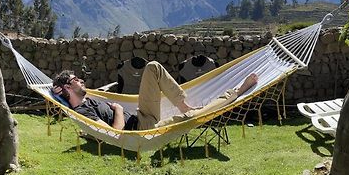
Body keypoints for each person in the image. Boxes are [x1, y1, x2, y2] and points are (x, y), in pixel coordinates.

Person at [52, 61, 258, 131]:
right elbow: (116, 133)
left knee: (153, 68)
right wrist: (119, 109)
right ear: (68, 88)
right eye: (76, 79)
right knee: (195, 116)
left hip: (143, 115)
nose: (81, 80)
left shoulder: (89, 99)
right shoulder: (82, 110)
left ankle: (183, 104)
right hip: (142, 130)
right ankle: (237, 91)